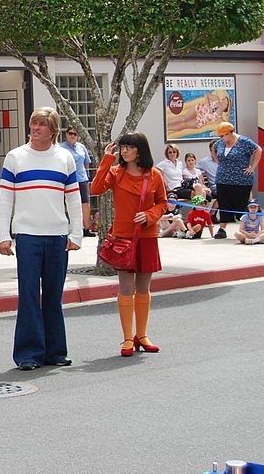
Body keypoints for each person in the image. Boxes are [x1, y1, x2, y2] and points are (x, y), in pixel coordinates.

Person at [0, 107, 83, 371]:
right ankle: (28, 354)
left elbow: (74, 198)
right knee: (29, 295)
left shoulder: (65, 159)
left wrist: (76, 232)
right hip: (27, 236)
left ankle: (55, 351)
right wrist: (4, 236)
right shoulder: (15, 158)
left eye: (42, 125)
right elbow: (5, 198)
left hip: (57, 236)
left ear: (53, 129)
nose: (35, 128)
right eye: (34, 123)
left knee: (54, 296)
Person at [91, 132, 167, 358]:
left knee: (144, 288)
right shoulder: (116, 173)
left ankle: (141, 335)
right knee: (126, 288)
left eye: (129, 147)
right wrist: (106, 160)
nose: (124, 151)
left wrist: (150, 215)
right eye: (123, 147)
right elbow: (95, 189)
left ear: (140, 150)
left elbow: (163, 203)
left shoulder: (154, 175)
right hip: (122, 237)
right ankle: (127, 338)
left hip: (147, 236)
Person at [213, 122, 262, 240]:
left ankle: (247, 228)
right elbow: (213, 149)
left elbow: (258, 150)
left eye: (223, 135)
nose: (222, 138)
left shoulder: (244, 142)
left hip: (241, 180)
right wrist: (218, 162)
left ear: (230, 132)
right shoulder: (219, 143)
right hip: (223, 179)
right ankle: (222, 228)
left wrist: (252, 167)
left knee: (241, 205)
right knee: (224, 203)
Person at [60, 126, 95, 236]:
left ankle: (86, 228)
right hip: (67, 179)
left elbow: (86, 163)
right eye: (70, 133)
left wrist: (87, 176)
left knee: (85, 203)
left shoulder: (81, 147)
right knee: (69, 203)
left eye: (75, 134)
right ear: (66, 134)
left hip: (81, 178)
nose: (73, 136)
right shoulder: (62, 148)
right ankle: (72, 228)